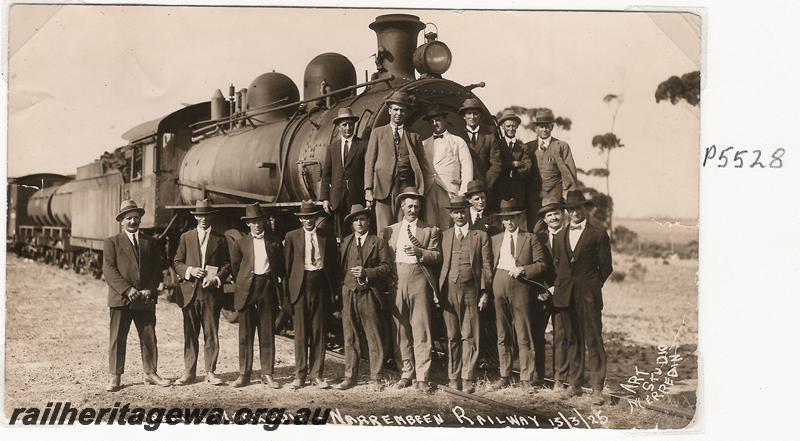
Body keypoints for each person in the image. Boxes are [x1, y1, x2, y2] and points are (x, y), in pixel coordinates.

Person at [102, 200, 170, 391]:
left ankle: (150, 373)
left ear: (140, 219)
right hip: (121, 298)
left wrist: (150, 288)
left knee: (148, 336)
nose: (133, 221)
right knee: (117, 338)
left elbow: (157, 268)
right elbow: (109, 271)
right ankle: (115, 377)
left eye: (136, 218)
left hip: (145, 298)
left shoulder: (151, 242)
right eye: (129, 218)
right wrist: (128, 290)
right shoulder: (111, 242)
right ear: (122, 221)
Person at [552, 191, 613, 405]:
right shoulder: (559, 236)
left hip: (589, 297)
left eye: (578, 208)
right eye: (570, 209)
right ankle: (574, 384)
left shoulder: (598, 234)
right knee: (572, 340)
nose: (574, 212)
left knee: (593, 340)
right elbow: (558, 264)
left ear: (584, 209)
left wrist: (592, 286)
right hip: (566, 297)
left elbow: (606, 267)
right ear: (567, 211)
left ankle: (597, 389)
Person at [382, 187, 442, 392]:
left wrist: (420, 252)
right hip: (397, 280)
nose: (413, 209)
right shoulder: (389, 230)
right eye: (409, 206)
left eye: (416, 206)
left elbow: (437, 256)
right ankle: (406, 372)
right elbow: (384, 258)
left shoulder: (429, 230)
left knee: (421, 328)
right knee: (401, 329)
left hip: (419, 280)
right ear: (401, 206)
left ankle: (422, 376)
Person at [489, 198, 548, 390]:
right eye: (505, 219)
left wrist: (524, 270)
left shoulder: (530, 238)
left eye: (512, 217)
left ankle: (526, 377)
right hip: (499, 284)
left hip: (521, 287)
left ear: (519, 217)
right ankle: (504, 375)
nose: (509, 222)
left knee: (523, 332)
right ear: (502, 220)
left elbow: (542, 264)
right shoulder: (495, 240)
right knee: (502, 332)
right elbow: (487, 264)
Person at [172, 199, 231, 387]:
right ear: (195, 217)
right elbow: (177, 262)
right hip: (190, 293)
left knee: (211, 333)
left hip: (210, 293)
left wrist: (217, 279)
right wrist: (190, 271)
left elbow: (227, 265)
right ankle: (189, 372)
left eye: (207, 215)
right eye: (200, 215)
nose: (203, 219)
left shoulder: (220, 239)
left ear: (211, 217)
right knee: (190, 333)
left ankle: (210, 372)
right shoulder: (186, 237)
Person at [438, 196, 493, 393]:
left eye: (463, 211)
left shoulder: (480, 236)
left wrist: (485, 291)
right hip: (448, 291)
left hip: (471, 290)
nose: (460, 215)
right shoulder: (444, 236)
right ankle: (453, 376)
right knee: (452, 335)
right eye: (456, 212)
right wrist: (437, 293)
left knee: (470, 335)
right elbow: (438, 265)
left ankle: (467, 376)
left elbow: (487, 266)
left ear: (468, 212)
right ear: (451, 215)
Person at [336, 204, 392, 391]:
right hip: (349, 292)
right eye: (355, 220)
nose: (359, 223)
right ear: (352, 224)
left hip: (368, 293)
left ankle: (376, 377)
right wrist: (344, 287)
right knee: (350, 336)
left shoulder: (378, 242)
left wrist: (367, 272)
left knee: (372, 335)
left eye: (362, 219)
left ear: (368, 221)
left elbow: (386, 267)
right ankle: (350, 376)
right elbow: (341, 267)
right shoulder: (346, 242)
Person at [229, 203, 286, 389]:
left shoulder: (275, 241)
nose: (257, 225)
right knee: (245, 335)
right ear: (248, 224)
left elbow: (281, 268)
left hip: (267, 290)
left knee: (267, 334)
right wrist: (244, 284)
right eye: (253, 222)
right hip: (247, 292)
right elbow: (235, 268)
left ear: (264, 221)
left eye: (259, 221)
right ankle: (244, 374)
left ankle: (267, 374)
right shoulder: (240, 243)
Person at [284, 201, 338, 389]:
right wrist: (287, 296)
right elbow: (287, 268)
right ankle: (299, 375)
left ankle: (316, 374)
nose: (308, 220)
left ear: (316, 218)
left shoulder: (326, 237)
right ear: (300, 220)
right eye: (304, 218)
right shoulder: (291, 237)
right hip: (300, 287)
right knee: (300, 333)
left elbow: (333, 266)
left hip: (320, 287)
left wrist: (334, 292)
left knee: (319, 332)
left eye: (311, 217)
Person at [364, 91, 426, 232]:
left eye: (402, 110)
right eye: (396, 109)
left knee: (404, 228)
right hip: (382, 189)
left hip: (405, 189)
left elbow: (422, 164)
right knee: (384, 230)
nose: (399, 113)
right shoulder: (378, 133)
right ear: (390, 110)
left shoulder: (413, 136)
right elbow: (369, 163)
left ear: (406, 113)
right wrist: (368, 189)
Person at [420, 106, 473, 229]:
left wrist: (462, 192)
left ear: (444, 120)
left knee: (448, 224)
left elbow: (467, 168)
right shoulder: (424, 144)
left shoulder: (457, 141)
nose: (434, 124)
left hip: (450, 190)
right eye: (431, 122)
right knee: (431, 226)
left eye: (437, 120)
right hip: (430, 190)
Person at [531, 198, 565, 388]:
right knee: (538, 334)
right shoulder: (538, 238)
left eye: (556, 213)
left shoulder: (569, 235)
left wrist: (559, 288)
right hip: (542, 294)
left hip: (563, 294)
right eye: (549, 214)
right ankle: (538, 376)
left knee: (561, 336)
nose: (553, 217)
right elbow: (536, 265)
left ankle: (559, 379)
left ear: (562, 215)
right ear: (544, 218)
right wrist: (541, 289)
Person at [486, 110, 540, 229]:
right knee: (500, 223)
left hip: (518, 192)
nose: (511, 129)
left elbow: (527, 167)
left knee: (518, 223)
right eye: (508, 126)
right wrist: (514, 164)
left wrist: (512, 171)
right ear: (503, 127)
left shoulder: (523, 147)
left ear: (517, 127)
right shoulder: (497, 144)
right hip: (500, 191)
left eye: (513, 126)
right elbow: (496, 164)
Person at [321, 107, 367, 237]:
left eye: (351, 124)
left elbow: (368, 170)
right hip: (338, 199)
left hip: (357, 197)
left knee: (358, 231)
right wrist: (325, 199)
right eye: (344, 125)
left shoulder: (363, 145)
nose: (348, 128)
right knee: (341, 234)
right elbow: (326, 175)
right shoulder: (332, 148)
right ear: (338, 127)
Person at [529, 109, 578, 213]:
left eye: (547, 126)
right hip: (534, 198)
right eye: (541, 126)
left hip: (554, 196)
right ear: (536, 128)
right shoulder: (528, 147)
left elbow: (571, 173)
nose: (545, 129)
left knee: (554, 224)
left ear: (552, 127)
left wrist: (568, 197)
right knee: (535, 228)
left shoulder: (562, 146)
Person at [458, 98, 499, 186]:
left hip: (484, 188)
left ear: (480, 115)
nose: (472, 117)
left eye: (475, 113)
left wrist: (484, 184)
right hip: (464, 186)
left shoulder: (489, 136)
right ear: (464, 116)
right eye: (469, 113)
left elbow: (496, 165)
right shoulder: (458, 138)